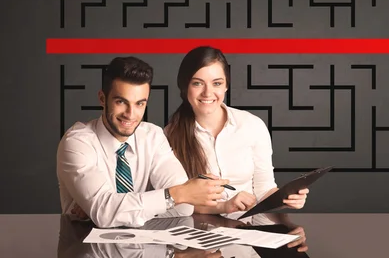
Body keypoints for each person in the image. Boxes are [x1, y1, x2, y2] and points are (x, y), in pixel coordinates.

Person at [56, 56, 230, 228]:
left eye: (140, 104)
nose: (130, 114)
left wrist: (117, 208)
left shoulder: (152, 136)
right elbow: (104, 213)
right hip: (84, 249)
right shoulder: (77, 142)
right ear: (102, 99)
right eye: (121, 102)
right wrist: (170, 197)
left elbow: (184, 207)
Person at [164, 46, 309, 217]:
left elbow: (264, 190)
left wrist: (286, 199)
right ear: (184, 86)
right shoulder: (169, 136)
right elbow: (176, 203)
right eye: (197, 83)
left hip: (248, 230)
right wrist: (224, 206)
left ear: (226, 86)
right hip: (197, 232)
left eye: (217, 83)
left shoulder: (252, 125)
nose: (208, 92)